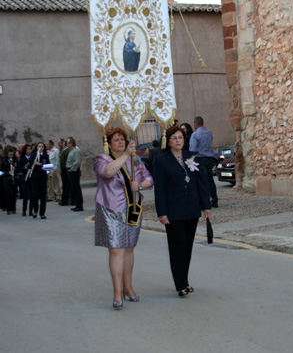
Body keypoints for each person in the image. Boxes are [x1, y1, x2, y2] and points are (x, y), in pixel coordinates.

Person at [93, 127, 153, 309]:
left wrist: (140, 185)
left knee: (128, 249)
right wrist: (126, 155)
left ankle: (128, 286)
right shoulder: (101, 159)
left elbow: (149, 179)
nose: (120, 142)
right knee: (116, 250)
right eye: (116, 140)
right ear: (108, 144)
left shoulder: (135, 160)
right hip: (111, 209)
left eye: (122, 139)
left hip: (132, 209)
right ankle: (117, 291)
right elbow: (108, 172)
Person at [153, 126, 211, 297]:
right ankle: (180, 284)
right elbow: (160, 189)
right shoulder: (161, 160)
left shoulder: (192, 157)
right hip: (173, 211)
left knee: (187, 247)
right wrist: (161, 212)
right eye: (174, 138)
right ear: (168, 141)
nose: (178, 141)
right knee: (177, 246)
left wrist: (205, 205)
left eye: (181, 137)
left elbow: (201, 183)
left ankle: (185, 280)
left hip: (191, 208)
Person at [189, 116, 219, 208]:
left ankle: (205, 203)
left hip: (200, 158)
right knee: (210, 181)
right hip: (209, 158)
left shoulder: (195, 135)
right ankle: (214, 200)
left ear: (195, 124)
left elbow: (193, 149)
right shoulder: (209, 132)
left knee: (203, 182)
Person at [29, 142, 50, 219]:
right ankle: (35, 210)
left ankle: (42, 213)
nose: (40, 148)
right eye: (39, 146)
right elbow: (31, 166)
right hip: (34, 178)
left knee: (43, 196)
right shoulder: (33, 155)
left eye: (42, 146)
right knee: (35, 194)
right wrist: (35, 164)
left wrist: (39, 164)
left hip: (43, 178)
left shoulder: (45, 156)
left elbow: (48, 167)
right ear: (37, 147)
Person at [66, 137, 84, 212]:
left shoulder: (76, 151)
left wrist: (72, 169)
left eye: (67, 143)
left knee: (76, 188)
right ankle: (77, 204)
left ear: (71, 143)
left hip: (74, 171)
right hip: (71, 171)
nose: (66, 144)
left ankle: (79, 205)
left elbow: (77, 162)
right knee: (74, 188)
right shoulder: (72, 150)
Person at [0, 147, 18, 214]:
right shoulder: (3, 162)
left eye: (12, 155)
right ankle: (8, 208)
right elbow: (1, 171)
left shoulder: (15, 161)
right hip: (6, 179)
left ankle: (13, 209)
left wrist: (15, 169)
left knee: (14, 194)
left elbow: (19, 169)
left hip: (14, 179)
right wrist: (8, 172)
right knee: (8, 194)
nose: (11, 156)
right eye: (9, 155)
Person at [18, 143, 33, 216]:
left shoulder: (33, 158)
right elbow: (19, 169)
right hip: (25, 178)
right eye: (27, 149)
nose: (29, 150)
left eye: (30, 149)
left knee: (32, 195)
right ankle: (24, 210)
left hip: (32, 178)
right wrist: (25, 167)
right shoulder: (22, 158)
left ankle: (31, 210)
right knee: (26, 195)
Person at [58, 140, 71, 206]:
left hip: (65, 171)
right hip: (66, 170)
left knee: (65, 186)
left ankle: (65, 200)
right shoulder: (67, 151)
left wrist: (63, 168)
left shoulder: (65, 151)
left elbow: (62, 162)